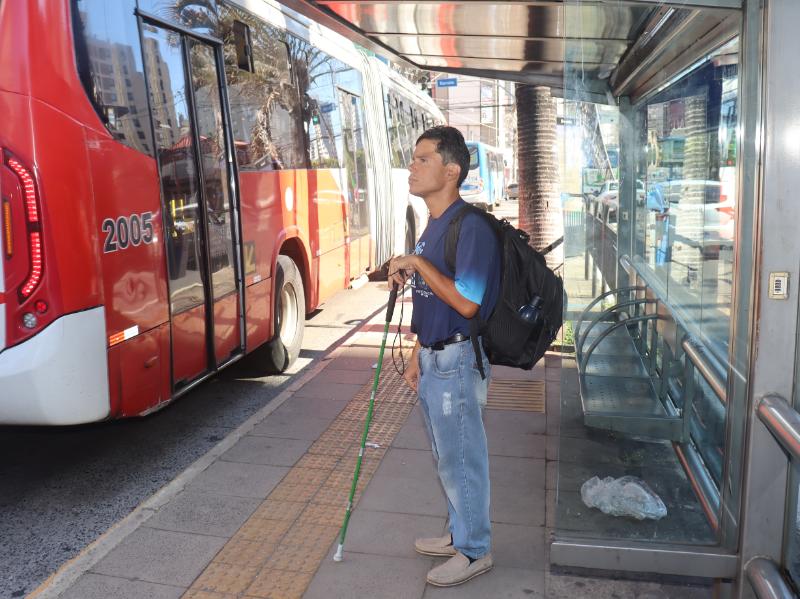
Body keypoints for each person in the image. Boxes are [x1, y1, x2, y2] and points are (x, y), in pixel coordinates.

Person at [388, 126, 501, 587]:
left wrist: (417, 265)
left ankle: (475, 550)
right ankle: (460, 533)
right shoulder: (434, 226)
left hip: (457, 362)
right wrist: (417, 354)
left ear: (451, 171)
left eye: (423, 159)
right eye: (413, 159)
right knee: (445, 456)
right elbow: (431, 298)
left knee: (461, 459)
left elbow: (468, 301)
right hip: (435, 359)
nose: (412, 167)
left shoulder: (469, 226)